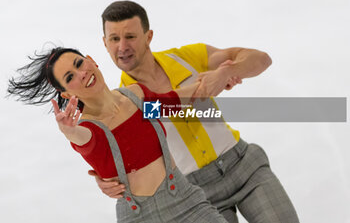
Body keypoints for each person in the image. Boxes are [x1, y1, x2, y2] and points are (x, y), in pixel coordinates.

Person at [90, 0, 300, 223]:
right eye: (114, 39)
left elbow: (261, 59)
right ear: (105, 43)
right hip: (196, 196)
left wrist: (227, 72)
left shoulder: (186, 58)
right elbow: (121, 158)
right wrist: (105, 180)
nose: (122, 47)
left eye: (130, 36)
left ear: (148, 37)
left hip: (244, 167)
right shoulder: (122, 104)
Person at [7, 47, 229, 223]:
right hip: (140, 217)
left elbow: (170, 105)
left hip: (186, 201)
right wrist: (68, 131)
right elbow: (85, 141)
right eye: (70, 76)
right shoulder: (88, 128)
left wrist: (216, 77)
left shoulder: (135, 95)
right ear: (66, 93)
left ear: (91, 60)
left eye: (79, 64)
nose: (82, 74)